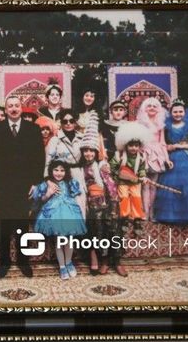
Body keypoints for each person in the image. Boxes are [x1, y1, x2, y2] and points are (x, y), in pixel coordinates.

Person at [0, 95, 45, 278]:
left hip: (24, 185)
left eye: (16, 106)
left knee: (22, 224)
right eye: (10, 106)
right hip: (2, 185)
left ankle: (23, 261)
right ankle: (4, 262)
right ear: (5, 109)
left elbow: (39, 157)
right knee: (4, 225)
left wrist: (35, 182)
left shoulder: (33, 129)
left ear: (21, 108)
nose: (13, 109)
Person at [79, 118, 124, 276]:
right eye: (86, 151)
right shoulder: (82, 167)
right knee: (100, 232)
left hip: (109, 202)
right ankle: (104, 261)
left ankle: (117, 262)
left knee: (114, 230)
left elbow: (110, 185)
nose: (89, 153)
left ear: (96, 152)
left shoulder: (102, 165)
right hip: (94, 204)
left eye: (91, 151)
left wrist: (113, 205)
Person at [154, 99, 188, 224]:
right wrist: (169, 147)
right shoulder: (167, 126)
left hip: (187, 157)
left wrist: (180, 146)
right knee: (172, 187)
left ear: (185, 112)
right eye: (175, 112)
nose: (178, 114)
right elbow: (163, 142)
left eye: (180, 112)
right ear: (171, 113)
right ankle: (173, 216)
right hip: (172, 158)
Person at [32, 160, 86, 280]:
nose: (59, 173)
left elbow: (76, 196)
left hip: (69, 212)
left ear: (66, 172)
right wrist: (49, 193)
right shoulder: (47, 184)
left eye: (62, 170)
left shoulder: (70, 183)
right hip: (54, 212)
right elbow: (41, 199)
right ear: (51, 171)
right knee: (59, 242)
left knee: (69, 240)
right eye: (56, 170)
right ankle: (62, 266)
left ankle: (68, 262)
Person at [110, 122, 152, 241]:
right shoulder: (119, 155)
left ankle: (137, 219)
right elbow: (112, 166)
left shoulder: (141, 157)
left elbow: (142, 169)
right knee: (124, 198)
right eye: (131, 145)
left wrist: (142, 177)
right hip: (122, 182)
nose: (134, 148)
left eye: (136, 145)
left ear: (139, 146)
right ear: (125, 145)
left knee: (136, 198)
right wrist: (118, 175)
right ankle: (124, 218)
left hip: (135, 182)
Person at [136, 97, 173, 222]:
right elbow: (136, 141)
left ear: (159, 109)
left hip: (157, 155)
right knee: (145, 185)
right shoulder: (140, 123)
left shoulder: (160, 124)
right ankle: (145, 212)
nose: (152, 108)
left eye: (154, 106)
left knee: (154, 185)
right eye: (149, 106)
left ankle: (152, 212)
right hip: (144, 153)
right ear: (144, 109)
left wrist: (166, 159)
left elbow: (162, 142)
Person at [44, 109, 86, 216]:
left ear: (75, 122)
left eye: (71, 121)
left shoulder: (81, 138)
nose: (68, 124)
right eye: (65, 121)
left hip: (78, 174)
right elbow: (48, 161)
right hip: (61, 176)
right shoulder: (55, 140)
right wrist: (48, 180)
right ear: (61, 122)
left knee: (80, 204)